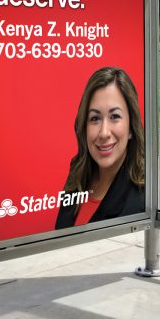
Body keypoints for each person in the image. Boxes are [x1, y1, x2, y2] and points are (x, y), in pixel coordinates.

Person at [55, 66, 146, 229]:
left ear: (131, 127)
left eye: (115, 117)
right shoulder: (77, 174)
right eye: (95, 118)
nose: (103, 133)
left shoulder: (142, 200)